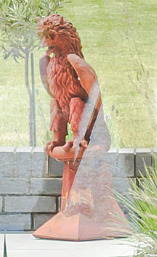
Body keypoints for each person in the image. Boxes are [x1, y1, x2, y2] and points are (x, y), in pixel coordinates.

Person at [31, 14, 129, 241]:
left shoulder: (75, 61)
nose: (46, 43)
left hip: (86, 121)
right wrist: (58, 139)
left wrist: (82, 136)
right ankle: (59, 138)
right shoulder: (47, 63)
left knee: (75, 101)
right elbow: (56, 98)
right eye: (44, 37)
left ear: (64, 37)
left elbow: (92, 100)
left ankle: (76, 139)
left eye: (51, 37)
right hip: (66, 114)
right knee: (57, 104)